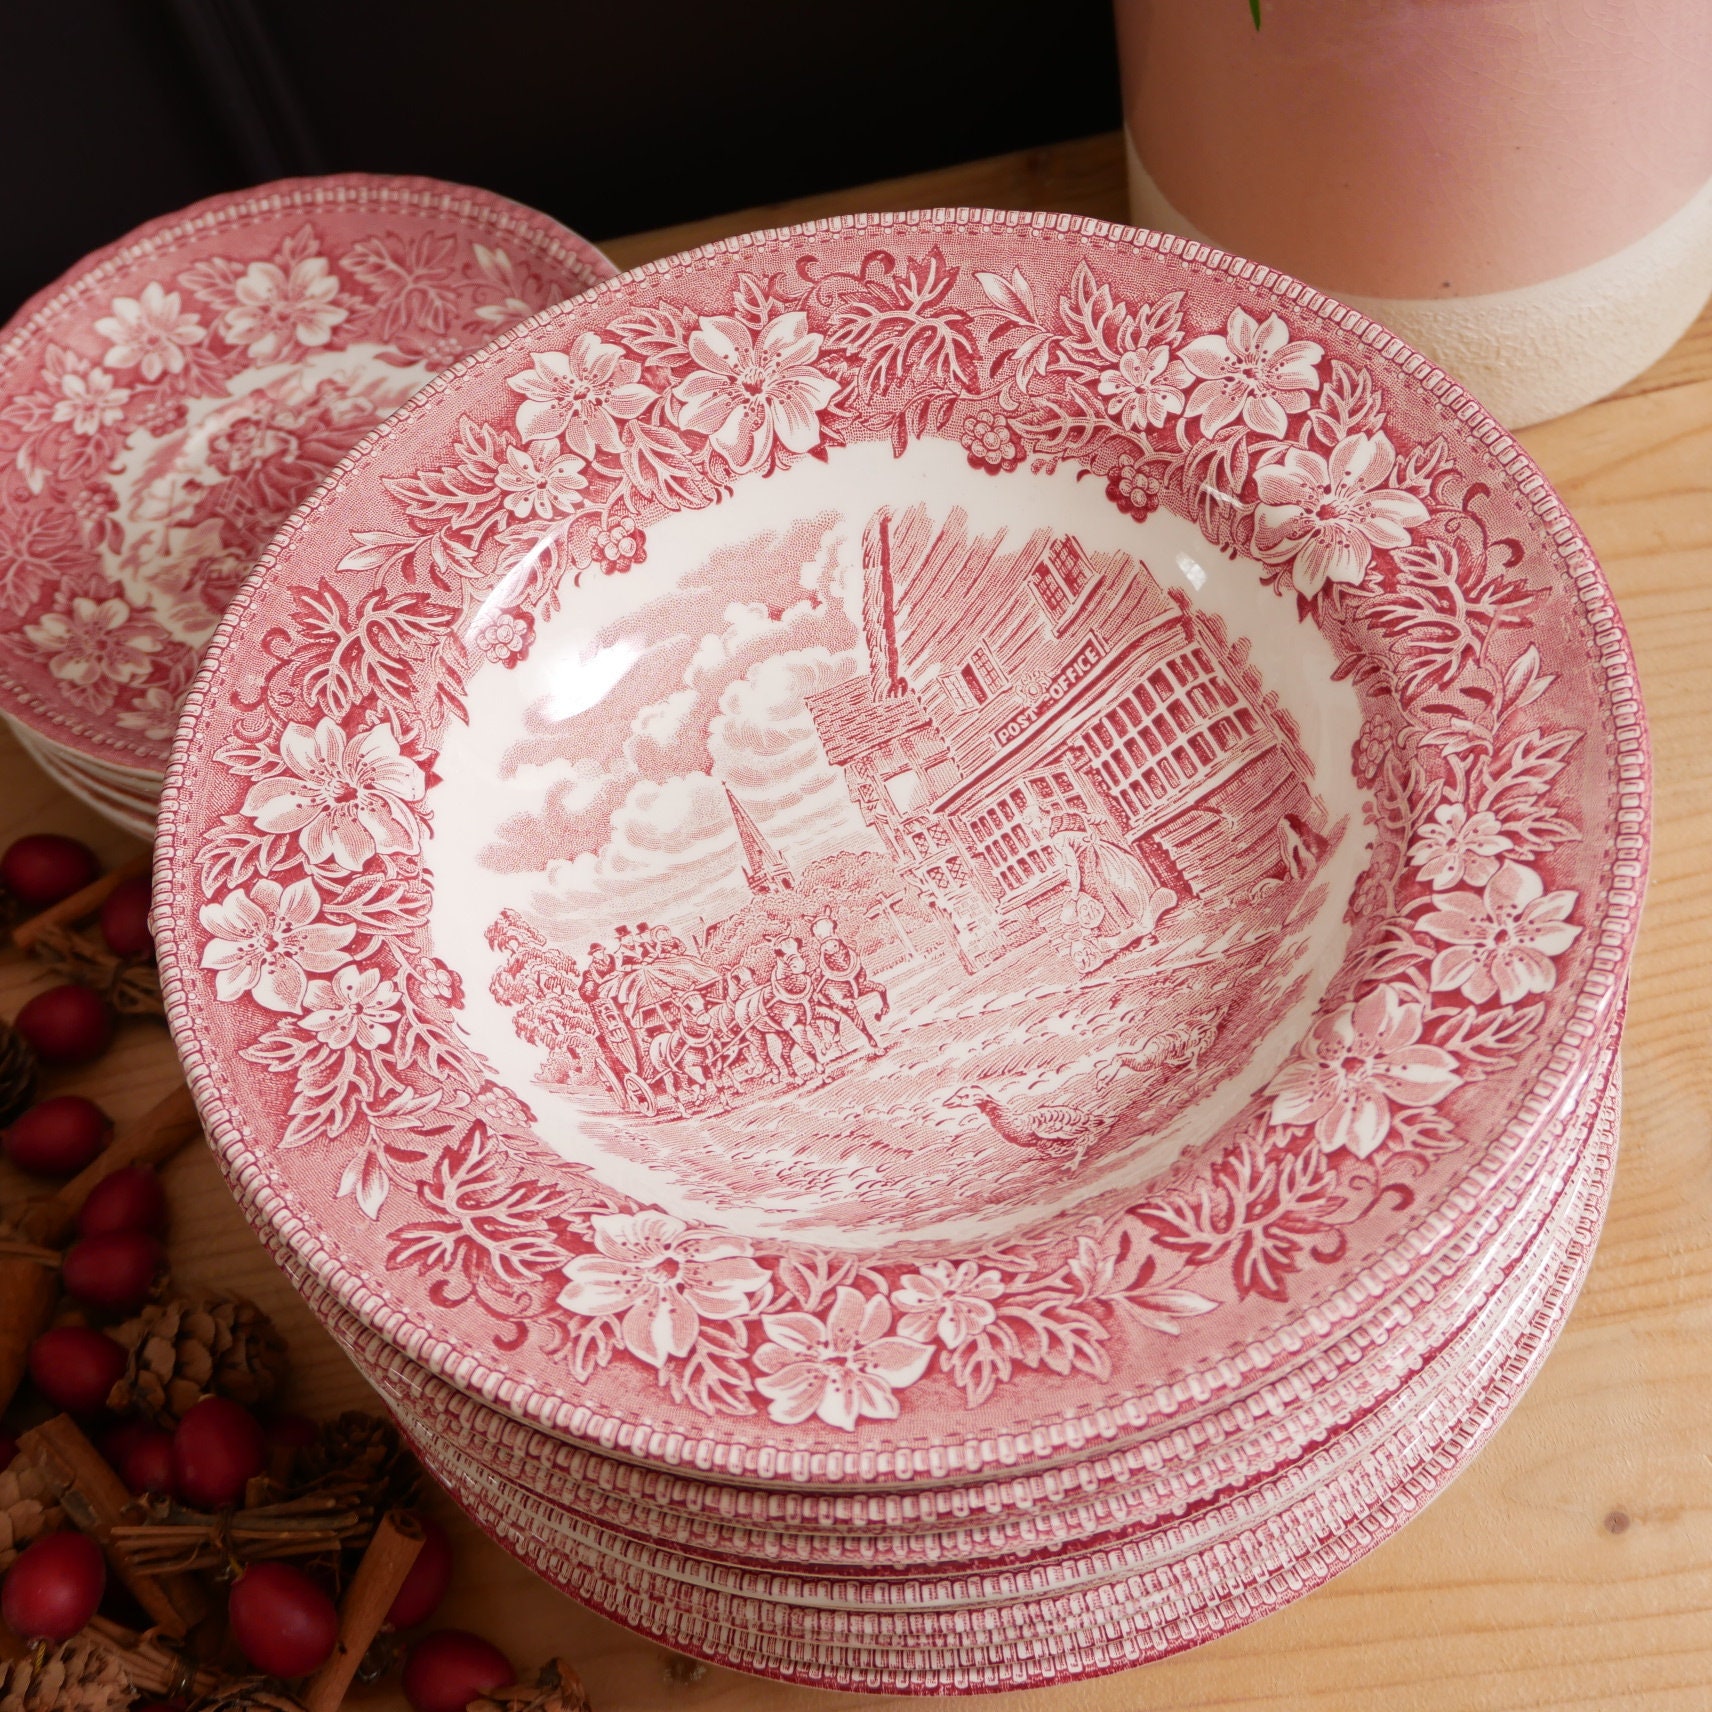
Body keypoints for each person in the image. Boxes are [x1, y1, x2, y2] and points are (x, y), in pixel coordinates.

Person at [1047, 812, 1176, 946]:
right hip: (1106, 855)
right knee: (1125, 888)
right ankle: (1144, 928)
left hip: (1090, 864)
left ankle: (1135, 935)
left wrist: (1074, 892)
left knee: (1107, 899)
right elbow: (1097, 819)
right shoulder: (1078, 825)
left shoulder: (1059, 838)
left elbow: (1071, 865)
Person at [810, 916, 886, 1050]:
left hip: (855, 982)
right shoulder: (823, 964)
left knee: (881, 988)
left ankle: (884, 1007)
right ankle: (870, 1039)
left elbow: (861, 975)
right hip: (837, 992)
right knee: (850, 1008)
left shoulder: (851, 956)